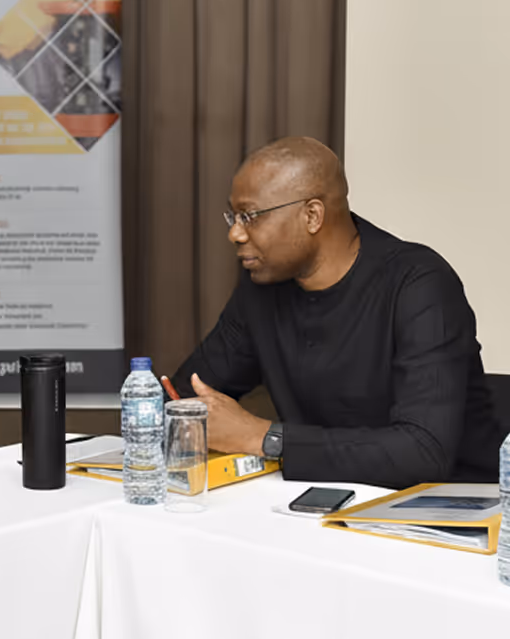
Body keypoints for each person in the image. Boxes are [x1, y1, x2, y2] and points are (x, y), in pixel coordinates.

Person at [170, 137, 504, 487]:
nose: (235, 233)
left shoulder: (419, 284)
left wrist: (263, 438)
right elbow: (185, 398)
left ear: (312, 215)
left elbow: (423, 453)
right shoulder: (262, 287)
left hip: (446, 514)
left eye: (250, 216)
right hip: (326, 501)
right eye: (234, 217)